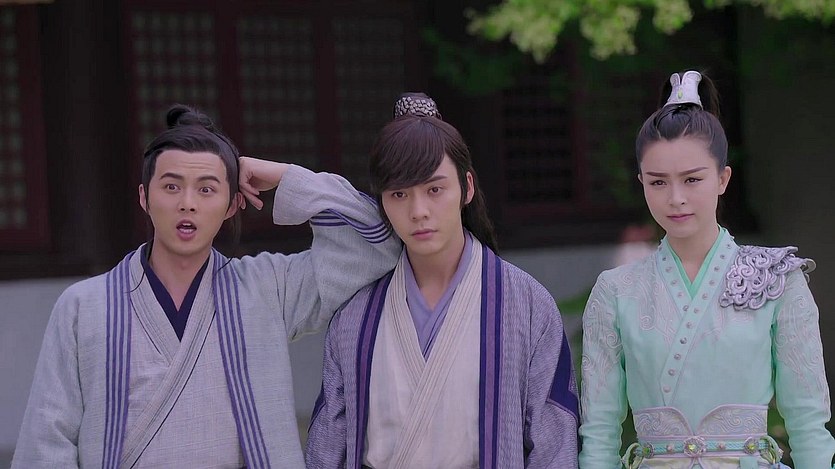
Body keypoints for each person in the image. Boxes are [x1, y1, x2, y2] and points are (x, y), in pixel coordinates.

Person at [12, 105, 401, 468]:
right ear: (144, 197)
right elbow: (46, 442)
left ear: (232, 205)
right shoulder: (84, 306)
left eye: (207, 189)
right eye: (171, 187)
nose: (188, 203)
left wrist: (287, 177)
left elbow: (376, 246)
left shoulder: (268, 288)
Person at [305, 93, 579, 469]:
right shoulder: (356, 316)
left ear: (467, 187)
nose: (418, 211)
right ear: (381, 202)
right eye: (399, 194)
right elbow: (326, 449)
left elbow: (555, 445)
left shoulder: (527, 304)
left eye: (434, 190)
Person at [578, 71, 835, 469]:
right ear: (641, 182)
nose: (676, 198)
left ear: (722, 178)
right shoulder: (616, 289)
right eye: (658, 182)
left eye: (692, 179)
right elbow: (599, 432)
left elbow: (808, 421)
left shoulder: (779, 278)